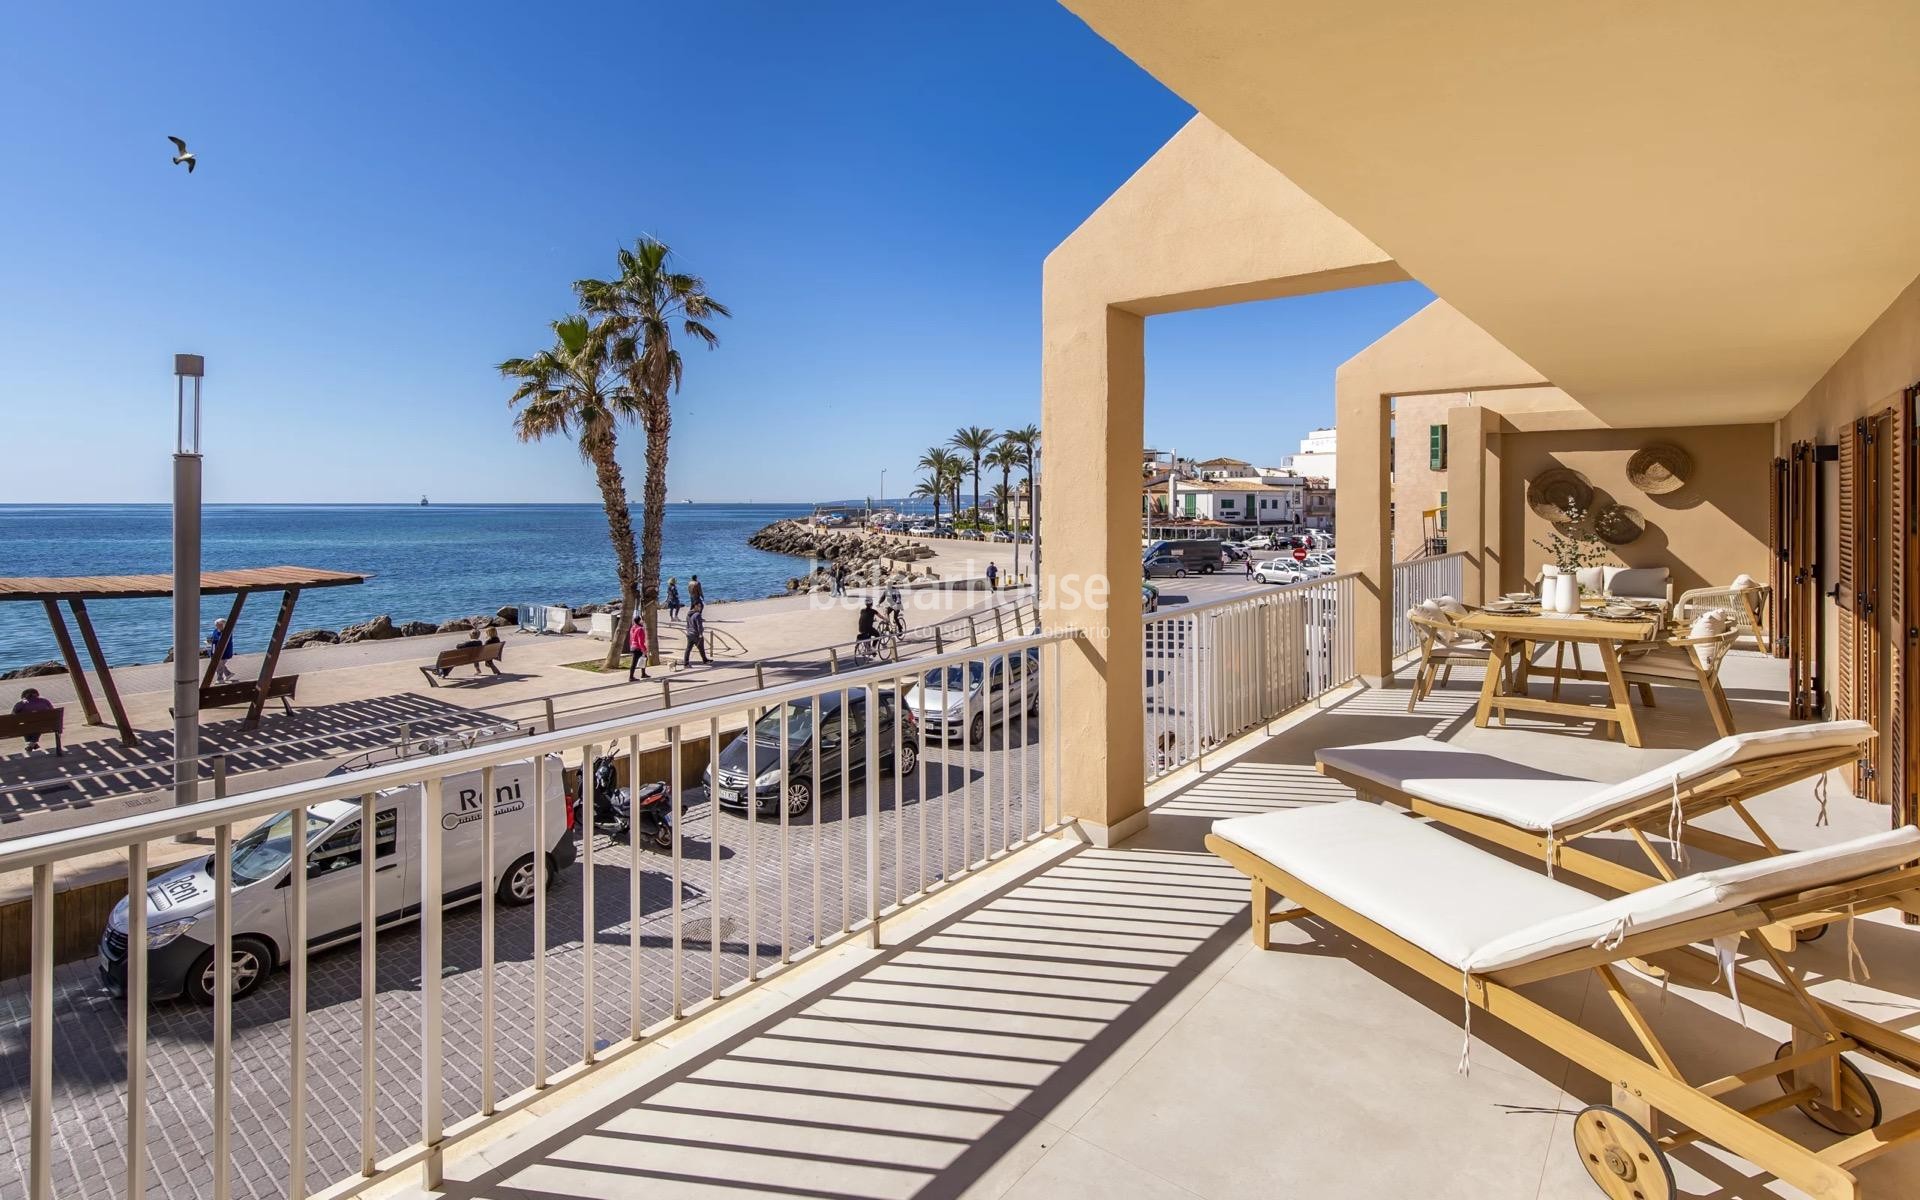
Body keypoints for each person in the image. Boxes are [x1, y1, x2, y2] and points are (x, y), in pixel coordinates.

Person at [12, 688, 54, 752]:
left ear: (23, 696)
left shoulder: (22, 703)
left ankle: (31, 744)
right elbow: (52, 711)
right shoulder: (44, 701)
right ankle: (33, 744)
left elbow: (13, 714)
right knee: (37, 725)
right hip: (45, 724)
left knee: (26, 727)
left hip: (28, 725)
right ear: (37, 694)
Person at [206, 618, 236, 683]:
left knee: (218, 664)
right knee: (219, 664)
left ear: (223, 625)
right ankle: (228, 674)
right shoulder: (216, 630)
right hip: (215, 650)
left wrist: (215, 641)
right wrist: (209, 641)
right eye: (216, 625)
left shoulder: (227, 632)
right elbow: (213, 638)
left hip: (224, 651)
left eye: (218, 625)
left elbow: (223, 641)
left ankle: (220, 679)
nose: (216, 626)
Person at [626, 614, 650, 680]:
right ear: (639, 621)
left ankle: (643, 673)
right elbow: (640, 641)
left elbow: (631, 638)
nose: (642, 621)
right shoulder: (640, 629)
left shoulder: (633, 628)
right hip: (638, 647)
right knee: (640, 660)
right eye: (641, 620)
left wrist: (631, 645)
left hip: (633, 646)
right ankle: (632, 677)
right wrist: (644, 650)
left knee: (641, 659)